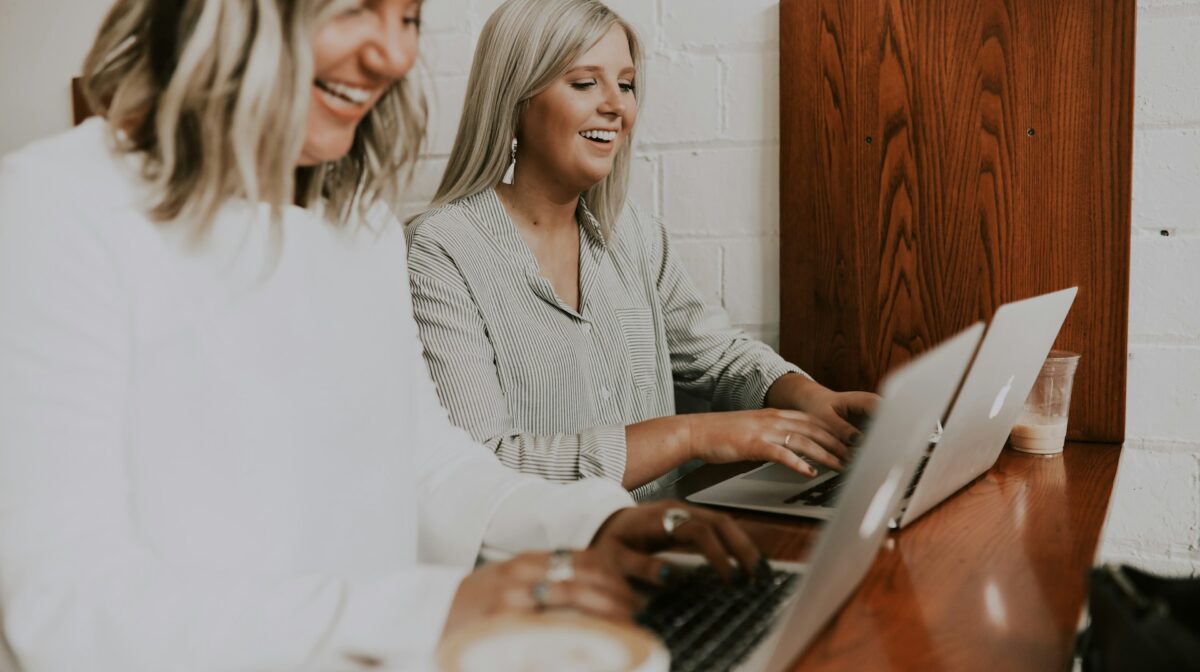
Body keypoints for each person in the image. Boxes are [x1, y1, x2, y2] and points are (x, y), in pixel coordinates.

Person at [0, 1, 760, 670]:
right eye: (356, 7)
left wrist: (594, 522)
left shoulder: (358, 225)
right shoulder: (57, 208)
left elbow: (428, 467)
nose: (395, 54)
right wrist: (428, 612)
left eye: (408, 17)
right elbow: (64, 608)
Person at [407, 0, 878, 499]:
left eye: (626, 84)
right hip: (554, 563)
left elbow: (715, 355)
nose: (617, 106)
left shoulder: (633, 234)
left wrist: (812, 399)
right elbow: (485, 465)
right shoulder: (441, 251)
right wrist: (692, 435)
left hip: (669, 538)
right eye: (585, 83)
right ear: (515, 99)